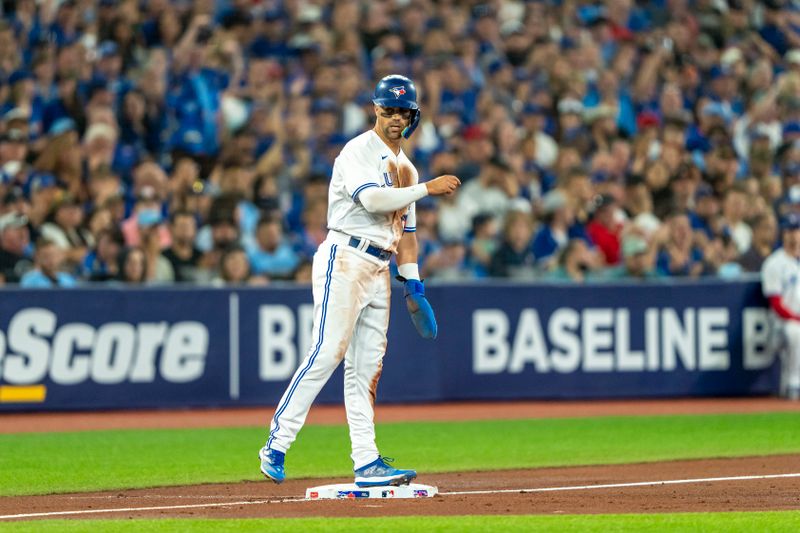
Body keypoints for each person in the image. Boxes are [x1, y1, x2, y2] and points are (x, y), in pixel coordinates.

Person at [259, 74, 460, 487]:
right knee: (327, 352)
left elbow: (407, 234)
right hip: (346, 256)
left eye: (401, 111)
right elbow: (370, 200)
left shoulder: (407, 167)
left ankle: (367, 462)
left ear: (413, 116)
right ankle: (276, 444)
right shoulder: (357, 151)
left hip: (380, 266)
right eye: (386, 109)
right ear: (375, 109)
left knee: (366, 368)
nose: (393, 118)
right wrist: (426, 189)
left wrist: (413, 283)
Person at [760, 214, 800, 400]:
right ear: (782, 234)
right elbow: (776, 304)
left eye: (796, 230)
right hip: (779, 326)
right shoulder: (774, 263)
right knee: (795, 331)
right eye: (789, 231)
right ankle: (794, 384)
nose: (793, 235)